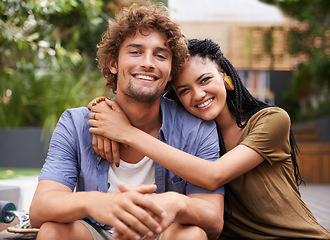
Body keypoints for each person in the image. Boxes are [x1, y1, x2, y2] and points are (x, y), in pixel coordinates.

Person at [88, 38, 330, 240]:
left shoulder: (270, 120)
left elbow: (214, 175)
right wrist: (105, 109)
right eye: (184, 90)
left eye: (205, 80)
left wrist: (127, 133)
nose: (198, 94)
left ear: (224, 75)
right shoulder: (194, 137)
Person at [29, 3, 225, 240]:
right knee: (53, 232)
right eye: (135, 52)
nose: (148, 62)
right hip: (97, 231)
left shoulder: (196, 128)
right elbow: (40, 209)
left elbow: (213, 220)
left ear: (171, 72)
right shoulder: (76, 123)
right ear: (113, 64)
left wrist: (177, 203)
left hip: (163, 233)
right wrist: (95, 203)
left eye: (160, 55)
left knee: (191, 235)